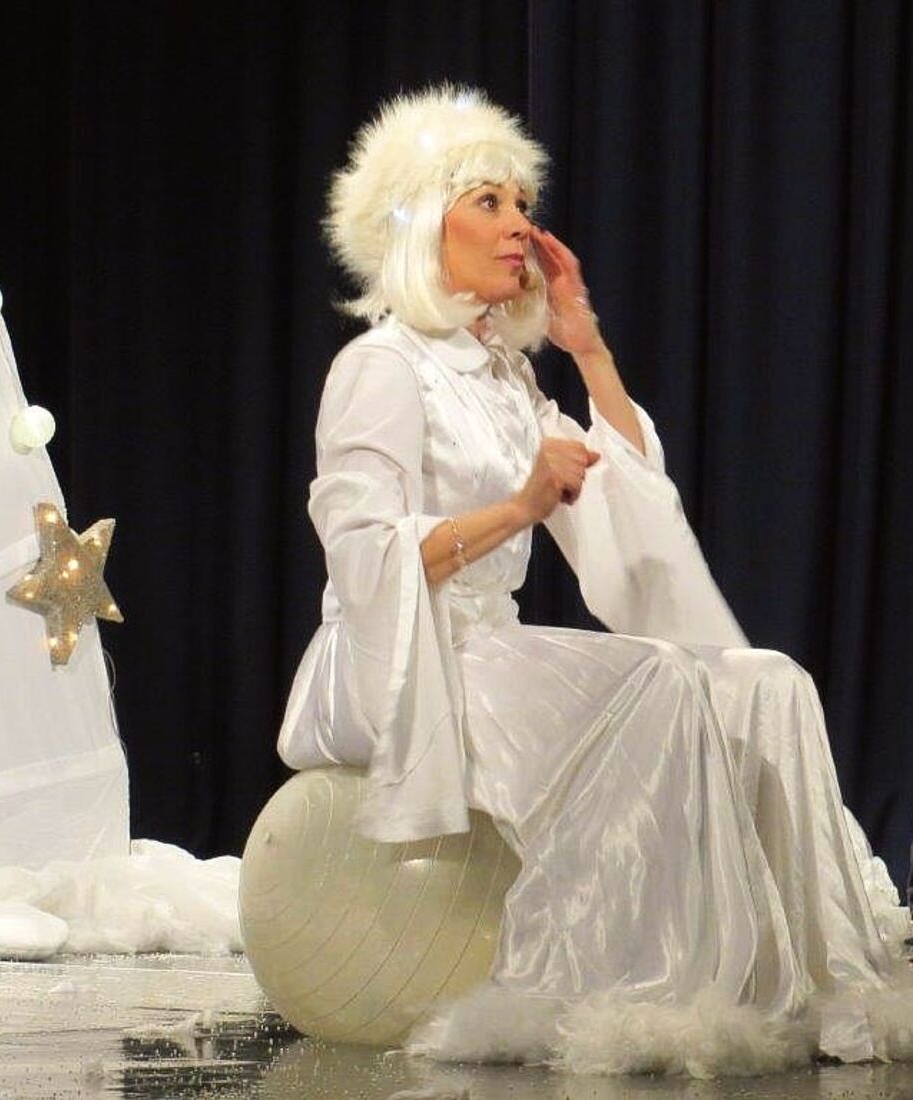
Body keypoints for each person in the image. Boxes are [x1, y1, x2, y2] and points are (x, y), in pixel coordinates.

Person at [277, 86, 912, 1075]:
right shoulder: (381, 366)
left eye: (522, 204)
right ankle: (653, 985)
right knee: (659, 678)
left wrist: (586, 346)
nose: (519, 225)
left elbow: (623, 500)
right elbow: (362, 556)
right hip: (406, 659)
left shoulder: (504, 378)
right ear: (422, 222)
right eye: (489, 202)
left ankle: (808, 981)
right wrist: (518, 507)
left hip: (489, 648)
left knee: (769, 680)